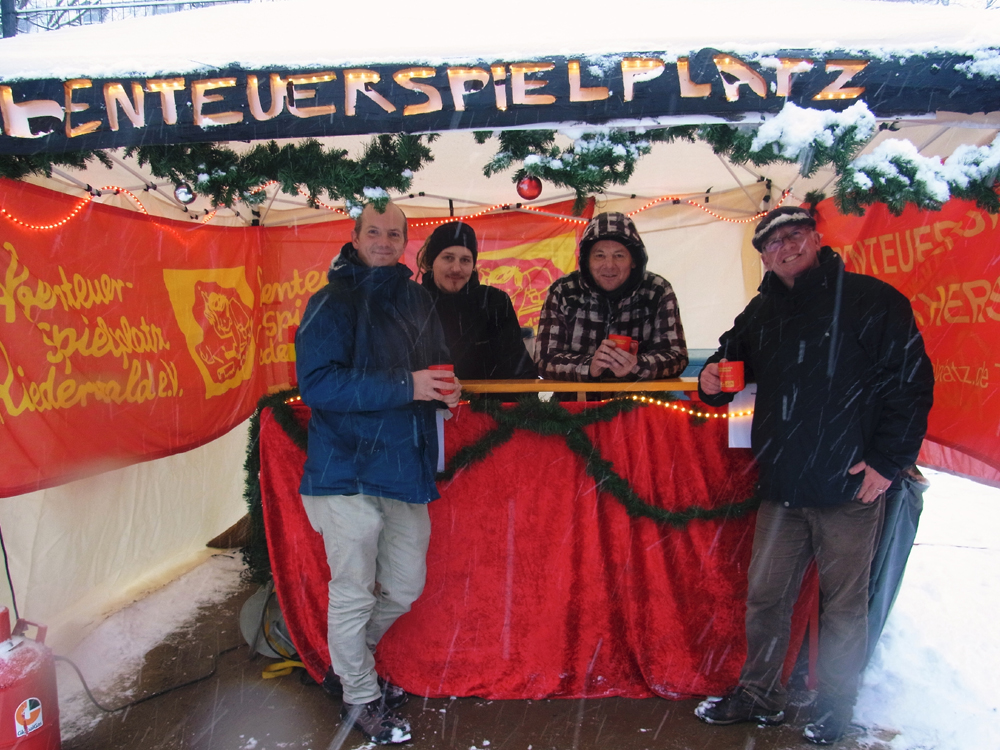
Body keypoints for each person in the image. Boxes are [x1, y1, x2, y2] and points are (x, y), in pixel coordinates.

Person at [693, 206, 934, 745]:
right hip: (782, 485)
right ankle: (759, 696)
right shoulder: (762, 311)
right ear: (763, 257)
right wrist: (710, 379)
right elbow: (729, 363)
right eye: (772, 243)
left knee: (842, 606)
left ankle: (837, 707)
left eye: (794, 235)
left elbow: (912, 384)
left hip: (849, 486)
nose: (785, 247)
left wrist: (887, 461)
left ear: (816, 239)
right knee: (766, 597)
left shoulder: (873, 300)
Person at [295, 201, 461, 745]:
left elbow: (435, 365)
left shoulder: (416, 298)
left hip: (402, 465)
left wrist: (446, 391)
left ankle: (349, 666)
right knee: (353, 590)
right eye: (374, 232)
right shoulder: (329, 302)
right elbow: (318, 385)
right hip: (342, 467)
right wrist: (406, 385)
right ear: (355, 236)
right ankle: (359, 694)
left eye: (394, 233)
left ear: (406, 240)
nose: (384, 242)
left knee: (406, 585)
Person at [536, 211, 688, 385]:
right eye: (599, 255)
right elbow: (544, 360)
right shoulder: (563, 291)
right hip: (575, 401)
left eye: (619, 255)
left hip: (642, 400)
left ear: (634, 260)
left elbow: (677, 357)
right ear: (586, 261)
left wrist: (637, 365)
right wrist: (589, 366)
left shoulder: (657, 290)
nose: (609, 265)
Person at [417, 221, 536, 380]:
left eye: (465, 260)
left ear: (473, 264)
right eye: (448, 258)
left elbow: (519, 370)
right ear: (432, 261)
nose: (456, 268)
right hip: (427, 397)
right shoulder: (414, 301)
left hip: (488, 396)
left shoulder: (494, 301)